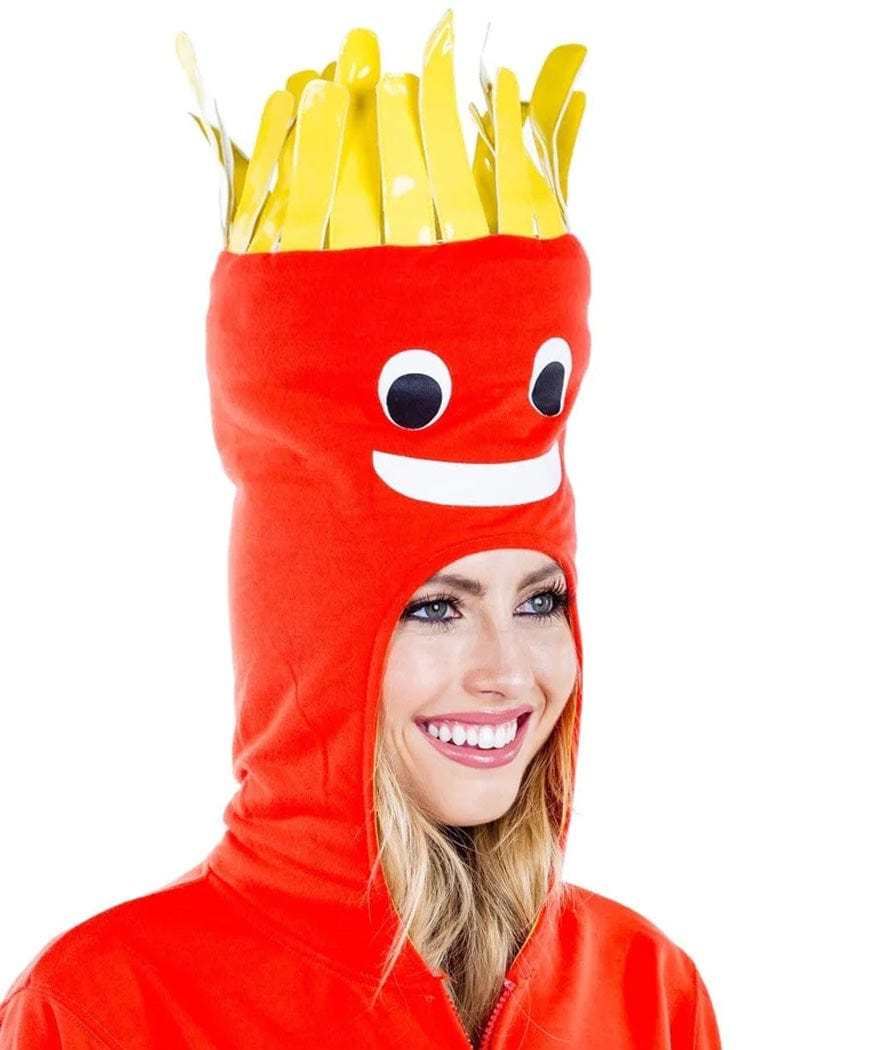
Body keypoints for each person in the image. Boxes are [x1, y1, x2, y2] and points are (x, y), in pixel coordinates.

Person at [0, 227, 721, 1049]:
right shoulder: (108, 1010)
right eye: (436, 609)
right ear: (309, 639)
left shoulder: (646, 990)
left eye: (539, 601)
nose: (508, 672)